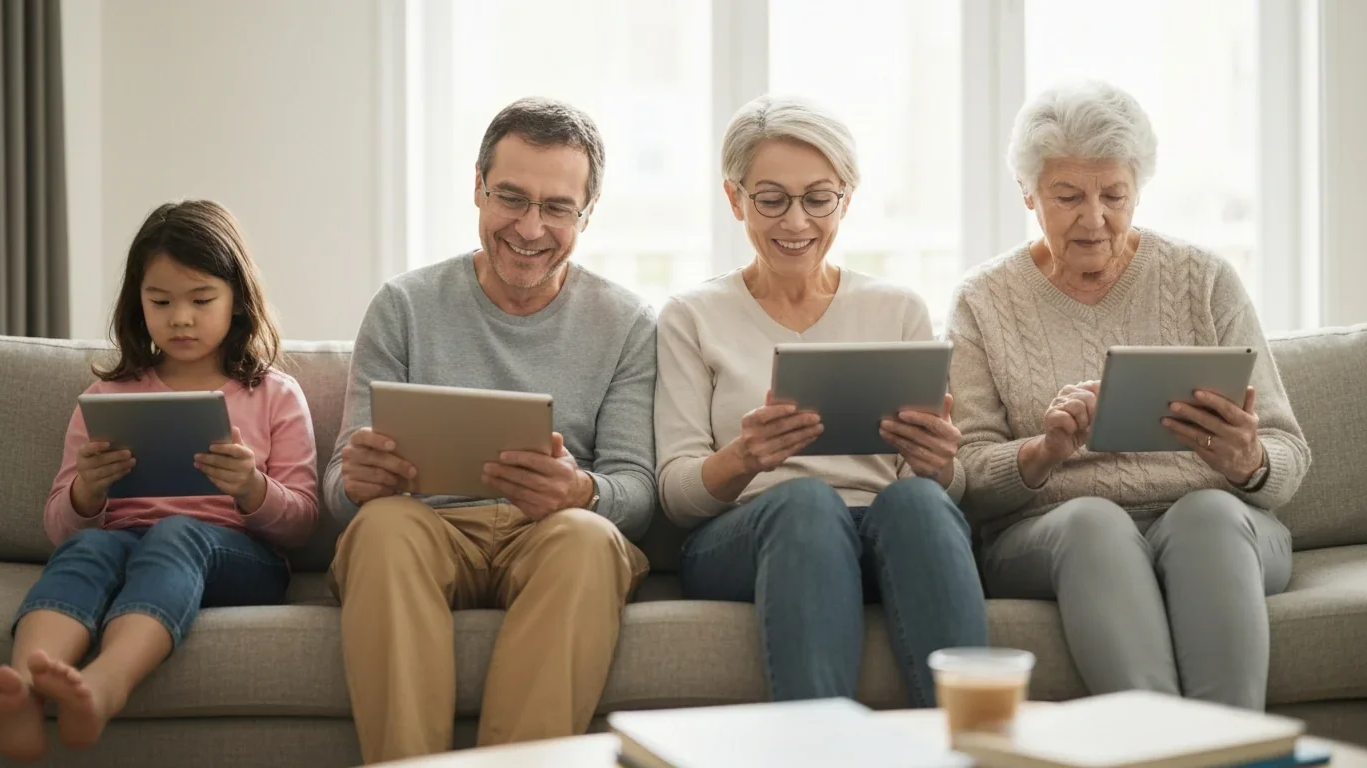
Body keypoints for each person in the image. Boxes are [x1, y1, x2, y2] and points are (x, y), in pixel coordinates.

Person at [948, 80, 1310, 710]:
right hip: (1052, 532)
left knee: (1207, 514)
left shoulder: (1205, 279)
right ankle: (1160, 741)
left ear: (1138, 189)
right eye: (1068, 196)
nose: (1094, 218)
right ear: (1028, 192)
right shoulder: (983, 301)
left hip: (1218, 524)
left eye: (1114, 195)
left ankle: (1226, 745)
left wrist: (1249, 460)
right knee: (1094, 520)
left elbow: (1289, 453)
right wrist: (1043, 451)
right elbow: (967, 477)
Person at [323, 97, 657, 762]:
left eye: (557, 207)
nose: (530, 227)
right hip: (426, 525)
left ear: (587, 213)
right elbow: (339, 489)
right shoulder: (403, 306)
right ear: (477, 187)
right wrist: (356, 481)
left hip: (550, 534)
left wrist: (583, 492)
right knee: (383, 527)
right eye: (511, 197)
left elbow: (639, 490)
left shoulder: (627, 322)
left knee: (590, 539)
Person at [653, 94, 989, 707]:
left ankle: (967, 735)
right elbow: (676, 496)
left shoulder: (898, 309)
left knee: (919, 500)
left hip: (880, 529)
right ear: (735, 199)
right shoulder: (691, 316)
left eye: (817, 199)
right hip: (749, 538)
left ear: (846, 199)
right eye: (771, 199)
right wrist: (743, 458)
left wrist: (940, 465)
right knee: (805, 502)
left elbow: (944, 486)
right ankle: (817, 741)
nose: (796, 222)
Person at [0, 200, 319, 762]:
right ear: (138, 303)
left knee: (176, 533)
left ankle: (106, 684)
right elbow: (59, 528)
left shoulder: (274, 393)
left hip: (239, 558)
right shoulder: (107, 396)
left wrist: (252, 488)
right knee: (87, 548)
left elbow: (301, 524)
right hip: (127, 542)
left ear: (237, 299)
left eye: (201, 300)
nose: (181, 318)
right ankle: (24, 692)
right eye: (161, 301)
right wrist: (86, 493)